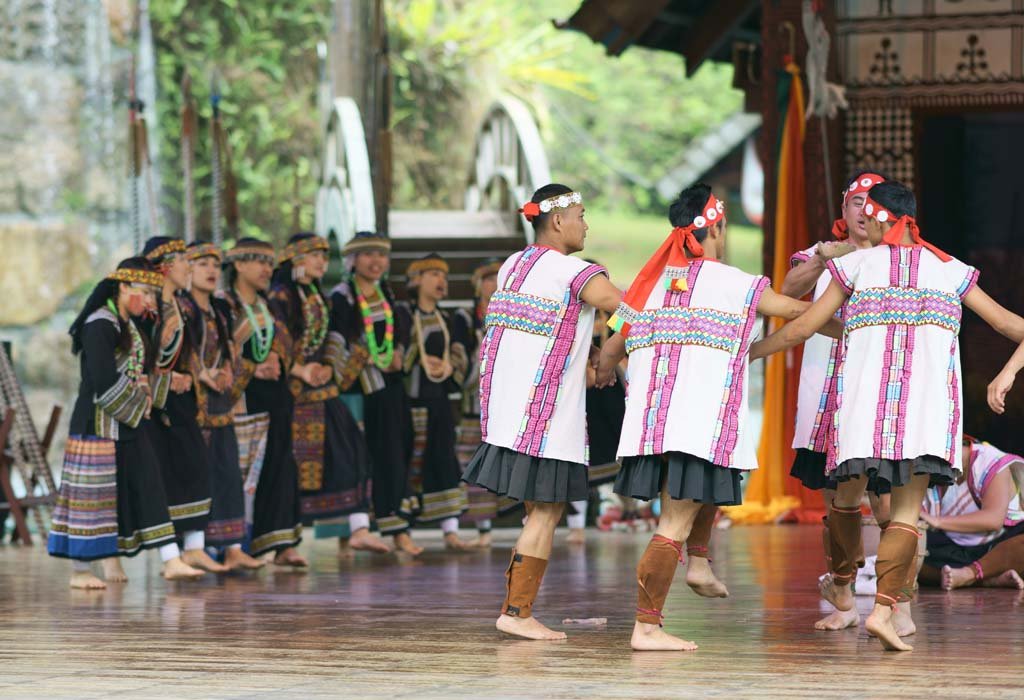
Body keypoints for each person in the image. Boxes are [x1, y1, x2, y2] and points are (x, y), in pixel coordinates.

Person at [750, 179, 1024, 651]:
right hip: (926, 416)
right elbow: (1012, 326)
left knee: (846, 500)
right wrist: (1005, 375)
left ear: (879, 216)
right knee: (904, 514)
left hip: (862, 415)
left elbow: (801, 329)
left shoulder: (854, 265)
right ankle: (881, 610)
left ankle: (850, 589)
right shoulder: (951, 270)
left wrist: (748, 355)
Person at [596, 183, 839, 651]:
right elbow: (799, 321)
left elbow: (611, 347)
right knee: (673, 523)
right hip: (699, 424)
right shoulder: (734, 283)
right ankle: (647, 627)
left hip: (650, 424)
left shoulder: (651, 283)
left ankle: (700, 563)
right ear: (717, 229)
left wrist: (614, 372)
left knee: (683, 508)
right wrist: (862, 326)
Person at [462, 184, 624, 641]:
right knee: (546, 512)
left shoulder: (513, 265)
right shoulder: (570, 271)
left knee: (539, 510)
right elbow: (626, 306)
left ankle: (518, 611)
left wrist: (595, 355)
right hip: (546, 416)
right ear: (557, 221)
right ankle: (516, 613)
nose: (585, 223)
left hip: (506, 412)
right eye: (581, 214)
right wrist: (614, 350)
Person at [783, 170, 896, 632]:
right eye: (856, 202)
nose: (864, 211)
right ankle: (845, 596)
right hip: (826, 385)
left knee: (888, 499)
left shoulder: (900, 258)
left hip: (879, 386)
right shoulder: (819, 253)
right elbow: (789, 289)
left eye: (873, 204)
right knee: (836, 496)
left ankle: (895, 601)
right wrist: (828, 259)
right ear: (843, 210)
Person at [48, 257, 202, 587]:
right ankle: (80, 570)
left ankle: (170, 558)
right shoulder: (99, 324)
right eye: (144, 292)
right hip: (97, 424)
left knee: (149, 485)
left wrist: (158, 388)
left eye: (152, 294)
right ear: (123, 287)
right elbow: (103, 383)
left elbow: (133, 374)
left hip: (124, 422)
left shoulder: (126, 324)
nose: (149, 301)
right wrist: (140, 405)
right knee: (92, 498)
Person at [268, 233, 389, 556]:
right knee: (289, 468)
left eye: (324, 255)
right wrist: (300, 369)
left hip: (321, 388)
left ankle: (359, 528)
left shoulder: (315, 294)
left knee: (353, 452)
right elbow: (275, 342)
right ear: (296, 260)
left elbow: (329, 339)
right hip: (291, 393)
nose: (323, 261)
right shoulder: (281, 295)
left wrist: (325, 366)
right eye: (315, 255)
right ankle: (285, 545)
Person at [329, 232, 420, 555]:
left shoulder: (388, 295)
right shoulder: (341, 297)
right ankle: (353, 529)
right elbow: (335, 341)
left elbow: (403, 334)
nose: (376, 261)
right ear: (352, 261)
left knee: (393, 453)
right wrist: (362, 357)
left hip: (389, 390)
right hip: (356, 392)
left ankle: (397, 528)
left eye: (381, 255)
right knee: (357, 458)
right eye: (368, 254)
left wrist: (396, 353)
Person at [142, 236, 226, 574]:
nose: (188, 266)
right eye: (182, 260)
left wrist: (197, 375)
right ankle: (170, 555)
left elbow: (187, 353)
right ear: (163, 266)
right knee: (160, 477)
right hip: (154, 405)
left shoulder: (178, 305)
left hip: (180, 401)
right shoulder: (149, 309)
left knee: (194, 466)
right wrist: (164, 380)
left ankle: (193, 548)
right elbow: (138, 359)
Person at [220, 238, 305, 566]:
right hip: (243, 399)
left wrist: (277, 360)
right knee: (244, 470)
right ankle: (237, 544)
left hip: (276, 398)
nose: (267, 270)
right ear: (239, 265)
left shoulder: (269, 305)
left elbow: (285, 345)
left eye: (270, 263)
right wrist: (254, 367)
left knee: (280, 466)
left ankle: (282, 542)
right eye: (259, 262)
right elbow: (218, 351)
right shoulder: (225, 305)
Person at [183, 241, 264, 570]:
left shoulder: (218, 309)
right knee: (199, 477)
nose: (212, 270)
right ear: (186, 269)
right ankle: (195, 546)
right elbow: (180, 351)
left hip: (221, 403)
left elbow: (232, 349)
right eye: (203, 264)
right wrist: (203, 374)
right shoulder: (183, 309)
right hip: (195, 405)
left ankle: (232, 546)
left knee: (228, 475)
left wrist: (229, 371)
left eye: (215, 265)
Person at [398, 253, 471, 549]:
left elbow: (459, 355)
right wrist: (417, 357)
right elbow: (396, 355)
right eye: (433, 274)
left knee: (444, 459)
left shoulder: (448, 319)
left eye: (443, 276)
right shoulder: (403, 314)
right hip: (410, 403)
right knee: (410, 465)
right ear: (416, 281)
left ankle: (450, 531)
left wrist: (450, 366)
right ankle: (403, 530)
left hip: (439, 400)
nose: (441, 281)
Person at [919, 436, 1024, 590]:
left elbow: (993, 520)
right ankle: (987, 579)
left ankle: (970, 574)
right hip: (951, 551)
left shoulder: (990, 460)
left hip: (998, 547)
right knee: (906, 547)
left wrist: (938, 521)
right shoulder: (926, 469)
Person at [453, 258, 504, 547]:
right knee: (471, 462)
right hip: (476, 402)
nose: (494, 284)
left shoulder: (511, 313)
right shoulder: (465, 317)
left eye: (499, 277)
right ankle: (481, 527)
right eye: (489, 278)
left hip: (505, 402)